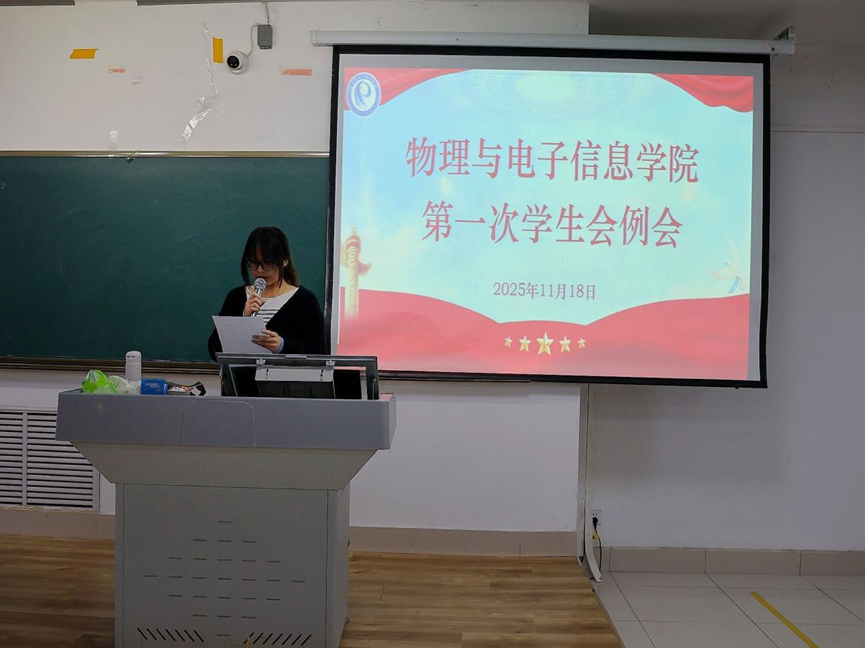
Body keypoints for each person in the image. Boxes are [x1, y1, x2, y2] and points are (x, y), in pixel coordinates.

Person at [208, 226, 327, 361]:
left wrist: (282, 346)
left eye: (268, 263)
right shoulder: (236, 297)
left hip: (283, 375)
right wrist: (242, 320)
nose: (259, 270)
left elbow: (319, 353)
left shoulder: (304, 300)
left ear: (284, 261)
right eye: (253, 263)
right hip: (242, 374)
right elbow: (214, 349)